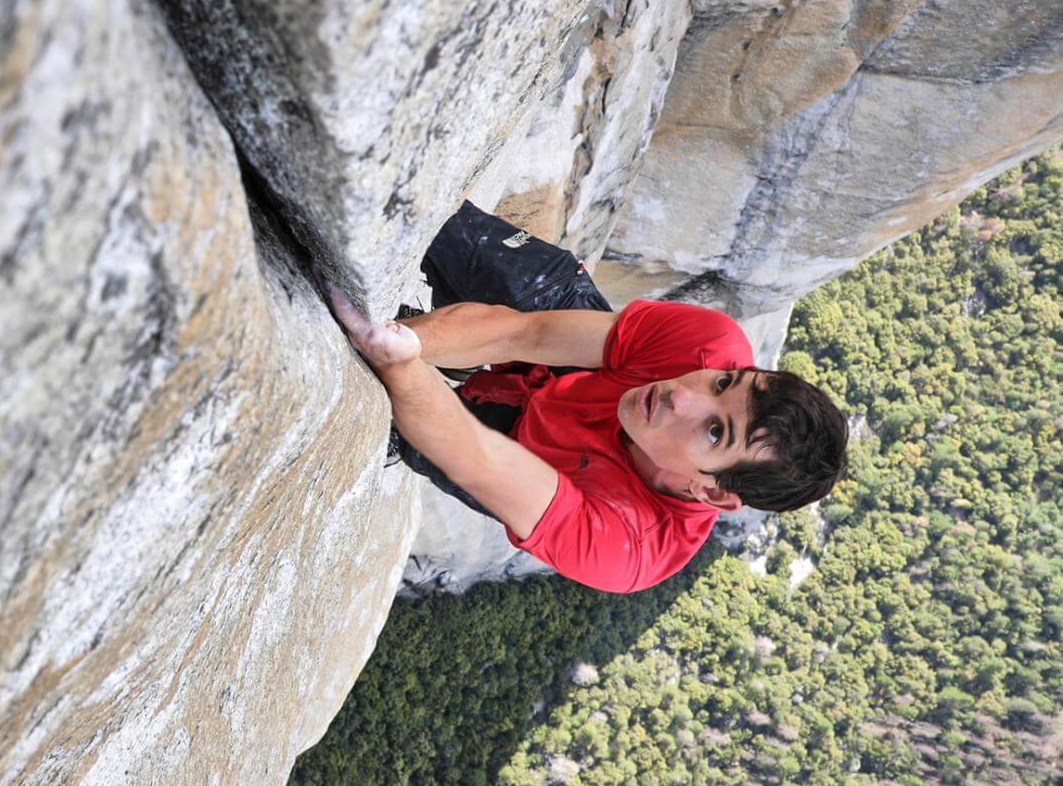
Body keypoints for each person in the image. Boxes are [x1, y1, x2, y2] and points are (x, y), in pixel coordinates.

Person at [328, 203, 848, 594]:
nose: (681, 396)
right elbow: (523, 335)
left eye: (715, 431)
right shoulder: (709, 348)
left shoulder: (629, 547)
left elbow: (476, 455)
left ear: (713, 494)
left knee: (412, 424)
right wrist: (406, 339)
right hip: (575, 367)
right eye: (721, 384)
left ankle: (416, 394)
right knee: (440, 225)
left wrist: (395, 364)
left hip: (523, 456)